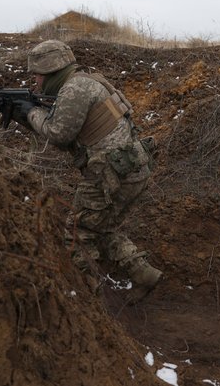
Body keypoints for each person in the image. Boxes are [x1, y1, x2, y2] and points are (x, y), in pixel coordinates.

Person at [13, 39, 163, 302]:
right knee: (100, 226)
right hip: (131, 168)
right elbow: (70, 133)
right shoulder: (88, 80)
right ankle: (143, 274)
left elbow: (59, 134)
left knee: (77, 232)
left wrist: (30, 113)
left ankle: (86, 297)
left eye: (36, 75)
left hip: (110, 175)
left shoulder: (74, 89)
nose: (35, 81)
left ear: (51, 72)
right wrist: (29, 114)